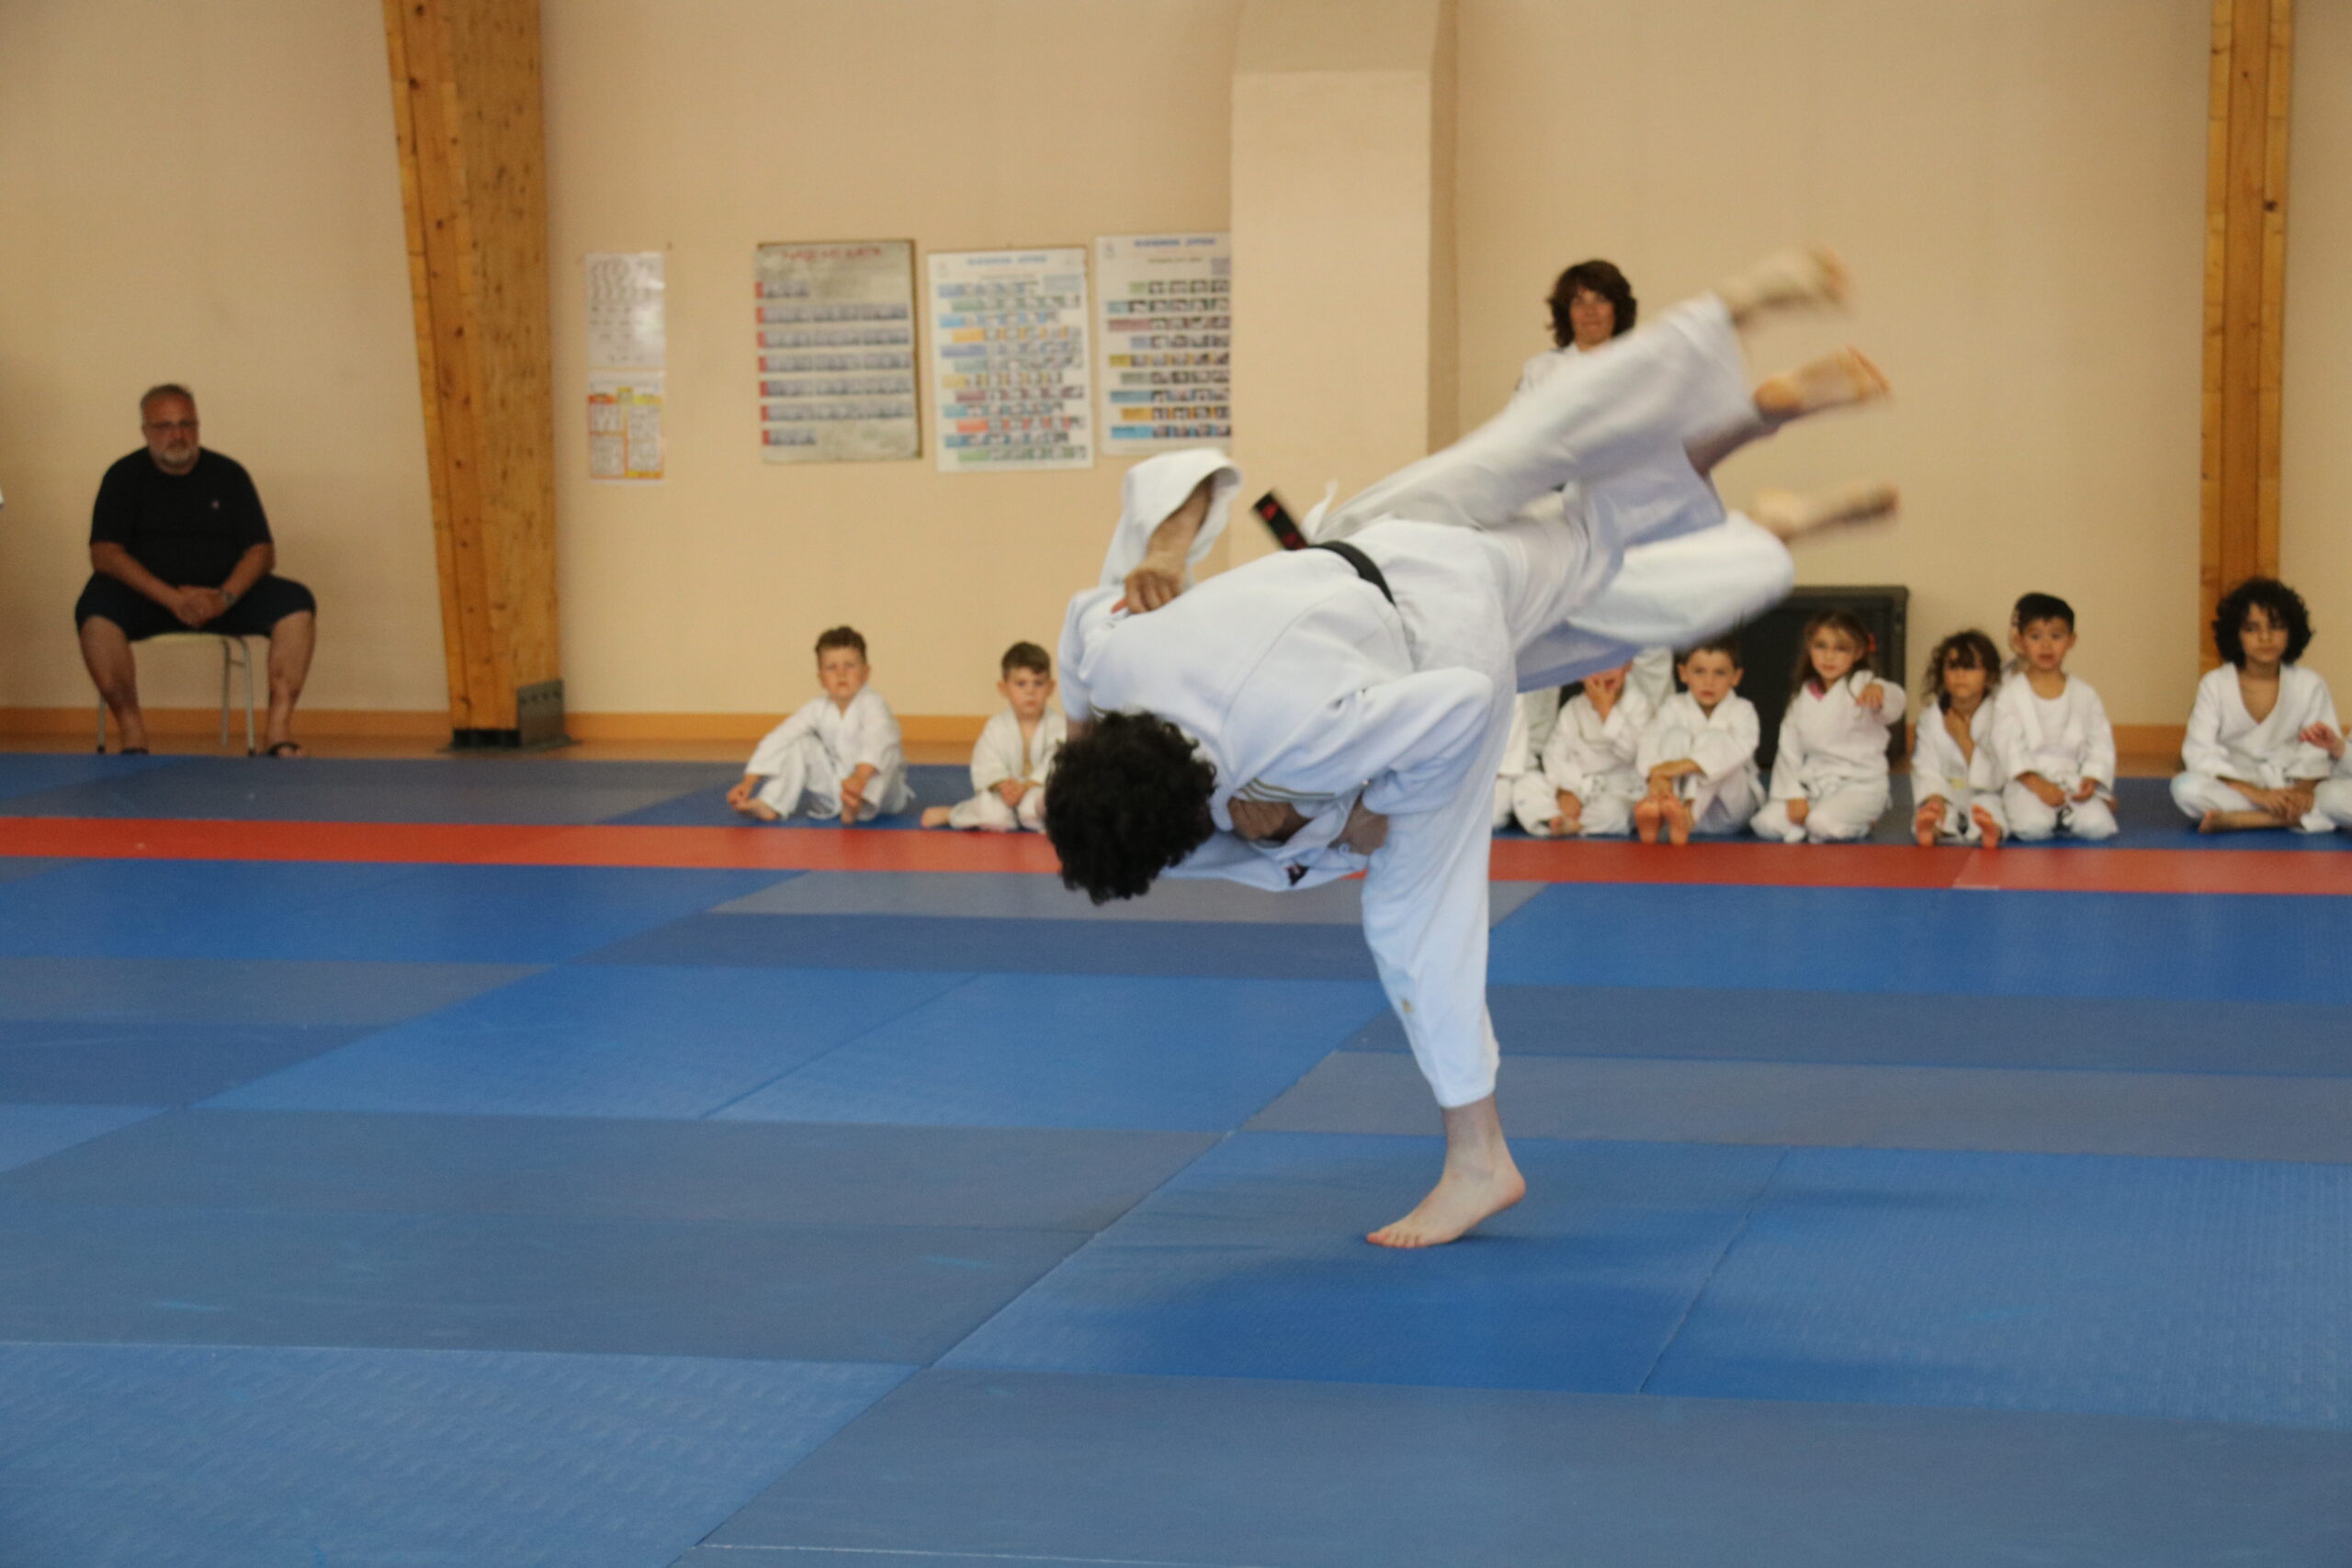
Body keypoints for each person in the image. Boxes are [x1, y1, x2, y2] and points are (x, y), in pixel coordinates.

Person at [1049, 247, 1895, 1248]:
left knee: (1412, 911)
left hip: (1448, 623)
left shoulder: (1298, 742)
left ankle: (1480, 1161)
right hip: (1380, 532)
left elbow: (1454, 704)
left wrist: (1370, 808)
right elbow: (1174, 488)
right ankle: (1737, 355)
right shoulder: (1112, 653)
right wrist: (1161, 552)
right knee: (1545, 438)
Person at [75, 384, 319, 756]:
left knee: (296, 602)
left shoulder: (229, 474)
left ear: (198, 425)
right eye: (164, 426)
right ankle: (133, 734)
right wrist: (172, 598)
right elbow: (105, 554)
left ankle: (278, 732)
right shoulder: (123, 476)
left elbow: (261, 551)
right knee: (95, 612)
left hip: (222, 599)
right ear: (145, 431)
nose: (177, 434)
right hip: (148, 599)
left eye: (186, 423)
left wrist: (223, 598)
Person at [2171, 578, 2336, 834]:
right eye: (2251, 628)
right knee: (2185, 788)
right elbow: (2200, 752)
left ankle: (2244, 820)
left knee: (2339, 795)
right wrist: (2259, 795)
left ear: (2291, 632)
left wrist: (2302, 791)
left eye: (2277, 626)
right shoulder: (2214, 684)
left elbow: (2317, 752)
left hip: (2293, 784)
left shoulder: (2309, 684)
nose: (2265, 637)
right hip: (2240, 785)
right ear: (2236, 635)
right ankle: (2292, 818)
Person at [728, 626, 911, 825]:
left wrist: (860, 778)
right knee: (800, 743)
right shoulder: (816, 709)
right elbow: (779, 738)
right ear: (821, 678)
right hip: (839, 791)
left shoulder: (873, 704)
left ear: (866, 673)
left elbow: (876, 740)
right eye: (831, 668)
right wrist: (748, 782)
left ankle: (860, 805)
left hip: (880, 796)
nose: (841, 674)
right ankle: (771, 802)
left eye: (849, 665)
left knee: (888, 750)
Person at [1750, 609, 1903, 842]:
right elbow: (1788, 750)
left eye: (1841, 648)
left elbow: (1895, 702)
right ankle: (1814, 820)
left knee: (1821, 824)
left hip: (1860, 784)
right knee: (1764, 824)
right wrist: (1793, 794)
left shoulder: (1864, 684)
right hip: (1815, 784)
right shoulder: (1802, 696)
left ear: (1858, 652)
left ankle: (1862, 821)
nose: (1829, 657)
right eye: (1821, 646)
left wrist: (1880, 692)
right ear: (1809, 648)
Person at [1993, 592, 2118, 841]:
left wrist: (2091, 779)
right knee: (2033, 829)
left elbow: (2100, 741)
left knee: (2099, 828)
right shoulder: (2010, 694)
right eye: (2036, 637)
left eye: (2056, 636)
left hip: (2072, 781)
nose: (2046, 645)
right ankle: (2025, 810)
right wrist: (2037, 784)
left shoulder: (2085, 694)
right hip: (2027, 783)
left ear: (2072, 641)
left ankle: (2069, 812)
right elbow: (2008, 747)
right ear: (2020, 640)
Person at [922, 641, 1067, 832]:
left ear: (1050, 687)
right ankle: (954, 813)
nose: (1030, 691)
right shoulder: (997, 727)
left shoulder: (1059, 727)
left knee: (1035, 809)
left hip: (1039, 792)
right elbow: (987, 764)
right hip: (1004, 796)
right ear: (1003, 688)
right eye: (1021, 684)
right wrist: (1003, 785)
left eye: (1038, 683)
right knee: (994, 815)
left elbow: (1057, 767)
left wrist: (1026, 786)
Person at [1634, 637, 1762, 845]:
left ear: (1736, 677)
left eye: (1719, 673)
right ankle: (1662, 811)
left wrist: (1677, 767)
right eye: (1699, 671)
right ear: (1683, 673)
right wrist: (1656, 776)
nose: (1708, 681)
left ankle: (1687, 815)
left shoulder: (1743, 710)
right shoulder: (1673, 706)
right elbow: (1649, 742)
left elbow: (1738, 750)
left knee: (1715, 743)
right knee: (1675, 736)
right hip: (1676, 802)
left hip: (1728, 812)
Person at [1910, 628, 2007, 847]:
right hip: (1946, 792)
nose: (1960, 675)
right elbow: (1924, 766)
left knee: (1989, 809)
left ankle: (1990, 832)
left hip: (1985, 792)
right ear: (1941, 675)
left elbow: (1999, 775)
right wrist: (1935, 796)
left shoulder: (1999, 717)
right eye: (1953, 667)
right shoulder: (1931, 718)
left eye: (1970, 667)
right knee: (1933, 813)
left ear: (1990, 676)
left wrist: (1964, 739)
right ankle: (1931, 830)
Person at [1531, 662, 1650, 837]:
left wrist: (1606, 711)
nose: (1605, 673)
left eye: (1613, 663)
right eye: (1596, 667)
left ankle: (1572, 825)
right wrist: (1566, 791)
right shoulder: (1573, 708)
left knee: (1614, 812)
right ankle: (1555, 819)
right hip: (1576, 787)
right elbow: (1555, 754)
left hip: (1618, 791)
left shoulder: (1639, 705)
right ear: (1582, 674)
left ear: (1629, 665)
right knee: (1528, 784)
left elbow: (1635, 754)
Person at [1492, 690, 1562, 833]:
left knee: (1534, 797)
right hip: (1491, 770)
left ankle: (1550, 822)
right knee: (1493, 811)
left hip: (1535, 764)